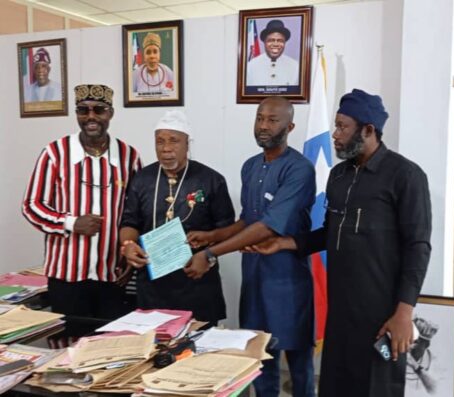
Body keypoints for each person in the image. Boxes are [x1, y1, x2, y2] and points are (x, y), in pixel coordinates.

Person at [249, 89, 432, 397]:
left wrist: (404, 313)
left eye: (343, 127)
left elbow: (418, 247)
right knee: (336, 385)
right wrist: (286, 243)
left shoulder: (406, 176)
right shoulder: (339, 175)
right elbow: (331, 232)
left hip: (383, 316)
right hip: (341, 313)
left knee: (378, 386)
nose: (335, 134)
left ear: (369, 130)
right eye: (335, 125)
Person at [185, 97, 316, 397]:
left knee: (299, 368)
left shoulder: (300, 170)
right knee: (259, 361)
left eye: (273, 120)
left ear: (290, 126)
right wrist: (211, 236)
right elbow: (248, 220)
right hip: (255, 278)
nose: (263, 126)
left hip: (288, 281)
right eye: (259, 118)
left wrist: (210, 254)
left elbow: (268, 226)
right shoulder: (250, 166)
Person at [22, 84, 142, 319]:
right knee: (67, 346)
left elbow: (138, 213)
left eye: (99, 110)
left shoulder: (129, 156)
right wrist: (70, 223)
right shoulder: (55, 153)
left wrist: (131, 256)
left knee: (111, 348)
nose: (91, 117)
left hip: (112, 275)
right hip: (67, 275)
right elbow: (32, 205)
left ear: (110, 113)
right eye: (82, 110)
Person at [119, 110, 235, 325]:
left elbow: (229, 230)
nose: (166, 148)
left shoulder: (211, 180)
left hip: (197, 282)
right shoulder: (142, 179)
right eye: (160, 141)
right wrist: (127, 244)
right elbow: (129, 222)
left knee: (199, 353)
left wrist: (209, 254)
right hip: (152, 285)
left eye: (174, 141)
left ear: (187, 144)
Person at [246, 20, 299, 86]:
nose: (275, 44)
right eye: (271, 40)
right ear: (264, 42)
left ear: (284, 43)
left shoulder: (295, 66)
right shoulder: (250, 66)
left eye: (280, 41)